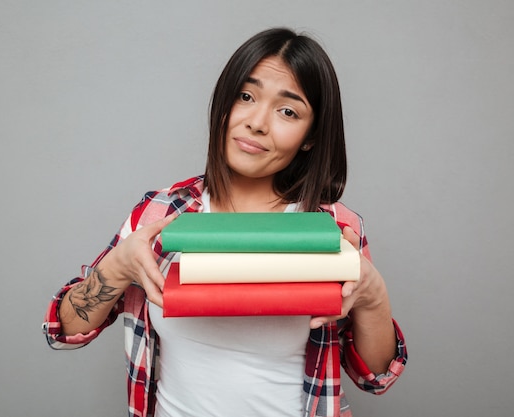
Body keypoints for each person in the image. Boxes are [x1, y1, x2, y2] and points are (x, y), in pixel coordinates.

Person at [43, 27, 407, 417]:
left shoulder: (333, 229)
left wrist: (372, 293)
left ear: (310, 137)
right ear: (224, 104)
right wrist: (116, 267)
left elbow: (376, 377)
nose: (257, 122)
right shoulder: (160, 213)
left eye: (288, 111)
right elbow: (62, 333)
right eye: (246, 96)